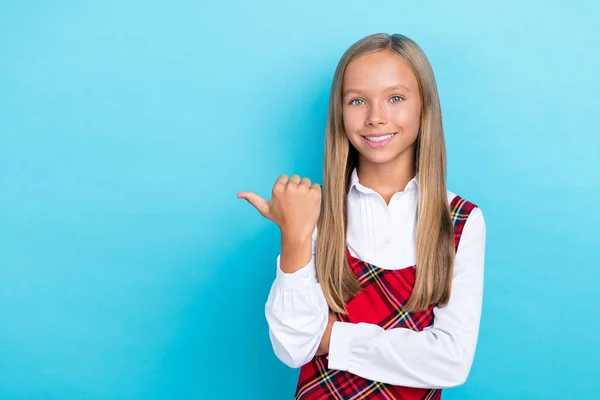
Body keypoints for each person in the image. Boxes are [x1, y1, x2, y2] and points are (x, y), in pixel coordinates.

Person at [237, 32, 486, 399]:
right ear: (340, 111)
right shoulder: (317, 212)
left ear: (424, 107)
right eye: (357, 101)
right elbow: (293, 348)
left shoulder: (461, 221)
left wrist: (331, 336)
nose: (376, 117)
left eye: (396, 98)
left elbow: (451, 361)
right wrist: (295, 237)